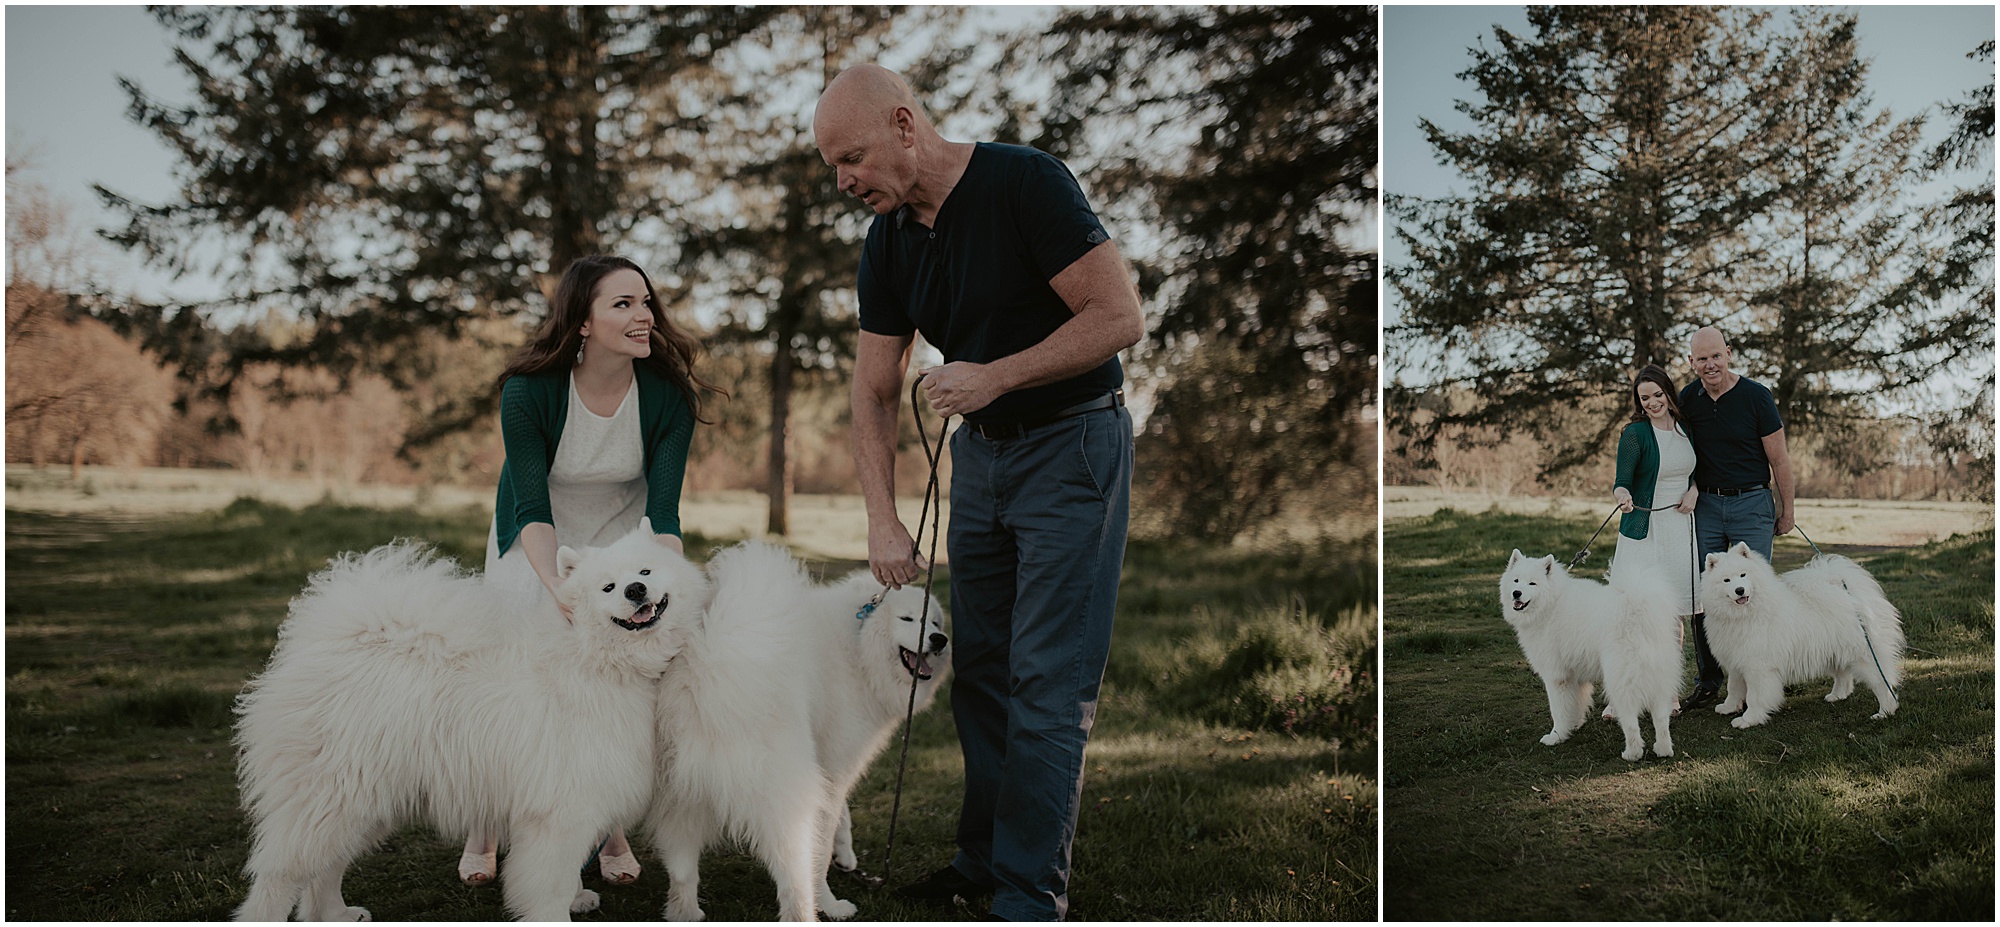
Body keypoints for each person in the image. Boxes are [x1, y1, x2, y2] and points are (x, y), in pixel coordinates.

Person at [813, 64, 1145, 921]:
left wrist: (996, 374)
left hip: (1074, 446)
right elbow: (873, 389)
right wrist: (882, 519)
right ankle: (983, 860)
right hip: (983, 463)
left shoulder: (1025, 183)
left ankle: (1029, 894)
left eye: (851, 157)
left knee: (1046, 679)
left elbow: (1118, 317)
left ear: (904, 124)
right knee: (981, 672)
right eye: (832, 166)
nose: (843, 181)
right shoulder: (887, 241)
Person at [456, 254, 719, 888]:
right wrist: (558, 588)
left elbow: (664, 513)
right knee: (519, 673)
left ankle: (609, 824)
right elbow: (532, 508)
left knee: (614, 683)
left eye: (645, 301)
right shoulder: (528, 390)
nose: (643, 315)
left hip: (622, 535)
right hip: (535, 535)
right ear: (581, 320)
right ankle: (484, 822)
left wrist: (668, 586)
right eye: (622, 304)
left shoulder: (669, 395)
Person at [1676, 325, 1795, 710]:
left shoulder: (1756, 396)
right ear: (1691, 362)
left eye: (1716, 355)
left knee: (1755, 594)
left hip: (1752, 503)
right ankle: (1709, 681)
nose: (1710, 364)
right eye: (1702, 358)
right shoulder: (1687, 400)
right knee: (1707, 595)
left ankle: (1764, 673)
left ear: (1728, 353)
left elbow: (1779, 459)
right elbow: (1677, 452)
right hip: (1707, 507)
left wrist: (1788, 510)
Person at [1610, 364, 1701, 715]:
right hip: (1643, 531)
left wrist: (1694, 491)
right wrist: (1623, 497)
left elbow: (1695, 472)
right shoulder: (1635, 434)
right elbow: (1622, 481)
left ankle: (1667, 693)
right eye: (1644, 398)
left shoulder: (1685, 429)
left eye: (1657, 395)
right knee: (1634, 614)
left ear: (1668, 393)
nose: (1652, 403)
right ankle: (1623, 695)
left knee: (1673, 615)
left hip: (1680, 529)